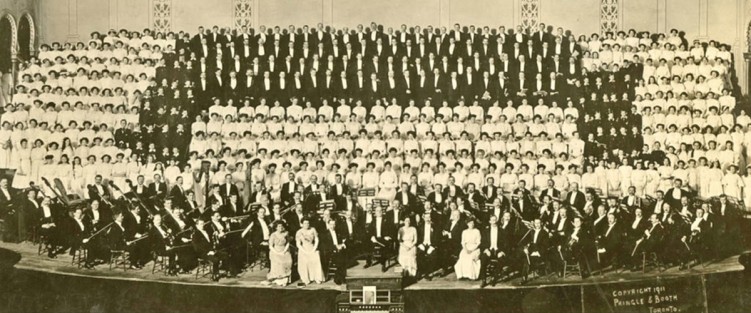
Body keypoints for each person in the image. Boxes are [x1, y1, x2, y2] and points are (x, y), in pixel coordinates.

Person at [295, 218, 324, 286]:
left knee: (316, 258)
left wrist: (314, 248)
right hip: (303, 249)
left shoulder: (313, 229)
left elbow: (316, 240)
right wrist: (304, 251)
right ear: (302, 224)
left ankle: (317, 278)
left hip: (312, 247)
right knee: (304, 261)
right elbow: (298, 244)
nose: (306, 225)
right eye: (305, 223)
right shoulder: (299, 232)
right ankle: (306, 279)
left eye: (308, 223)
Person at [264, 221, 292, 286]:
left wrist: (284, 251)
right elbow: (270, 246)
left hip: (284, 249)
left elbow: (288, 243)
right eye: (279, 226)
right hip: (275, 251)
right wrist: (277, 252)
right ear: (276, 227)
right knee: (278, 261)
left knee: (288, 260)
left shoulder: (286, 233)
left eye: (282, 226)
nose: (281, 227)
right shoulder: (273, 235)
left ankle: (285, 279)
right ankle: (278, 279)